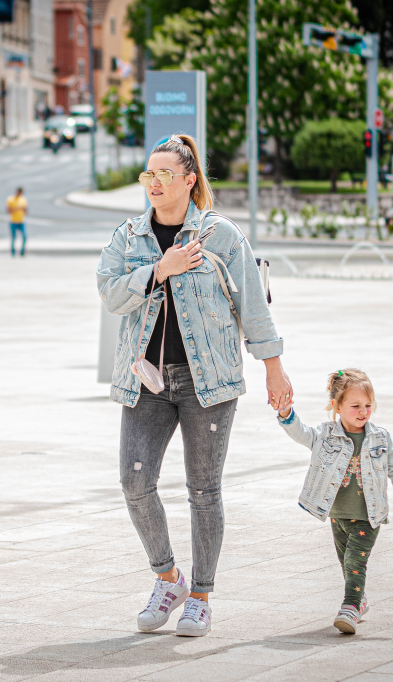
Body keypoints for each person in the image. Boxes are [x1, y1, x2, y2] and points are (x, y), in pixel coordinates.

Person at [97, 134, 292, 638]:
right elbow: (110, 294)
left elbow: (252, 303)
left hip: (210, 383)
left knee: (204, 490)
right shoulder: (128, 238)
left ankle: (201, 596)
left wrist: (273, 366)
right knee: (134, 482)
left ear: (189, 180)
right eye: (148, 174)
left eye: (164, 174)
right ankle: (168, 578)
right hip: (146, 382)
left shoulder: (221, 236)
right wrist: (159, 270)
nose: (154, 183)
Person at [276, 369, 393, 635]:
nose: (363, 411)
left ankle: (350, 607)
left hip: (368, 515)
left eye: (368, 406)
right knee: (346, 563)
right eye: (355, 406)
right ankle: (360, 599)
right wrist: (286, 414)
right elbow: (301, 433)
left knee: (355, 560)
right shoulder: (325, 435)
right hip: (337, 514)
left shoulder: (380, 438)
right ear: (337, 406)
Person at [6, 187, 28, 257]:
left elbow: (26, 210)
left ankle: (22, 251)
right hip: (13, 221)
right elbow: (8, 210)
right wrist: (16, 209)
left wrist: (22, 209)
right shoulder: (11, 199)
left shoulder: (23, 199)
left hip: (21, 221)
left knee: (24, 236)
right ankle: (13, 251)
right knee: (14, 237)